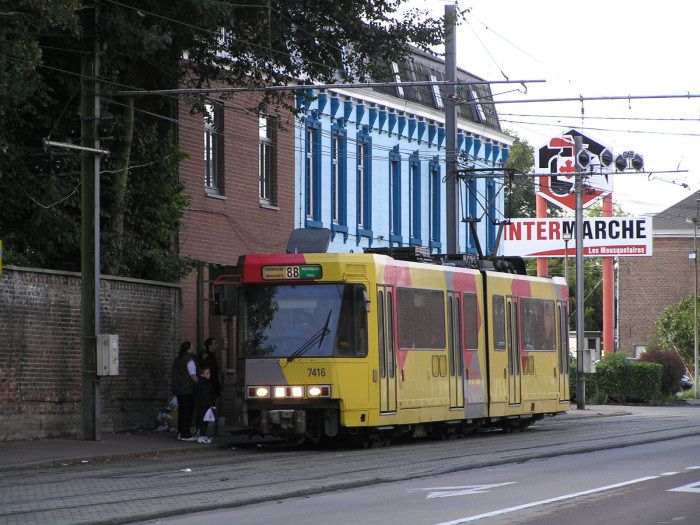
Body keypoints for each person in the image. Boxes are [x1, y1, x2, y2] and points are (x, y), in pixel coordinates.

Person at [171, 340, 198, 441]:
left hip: (178, 389)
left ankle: (180, 432)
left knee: (182, 411)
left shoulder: (177, 359)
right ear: (189, 348)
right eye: (192, 346)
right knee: (188, 412)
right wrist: (200, 384)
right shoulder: (189, 360)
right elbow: (193, 375)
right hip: (188, 389)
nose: (194, 347)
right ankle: (185, 434)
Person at [194, 366, 216, 444]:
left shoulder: (200, 382)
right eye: (207, 373)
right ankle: (201, 435)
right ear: (202, 374)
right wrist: (210, 404)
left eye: (209, 373)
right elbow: (206, 395)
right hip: (204, 405)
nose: (209, 375)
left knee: (202, 420)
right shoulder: (205, 383)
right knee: (204, 421)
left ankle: (200, 434)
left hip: (201, 404)